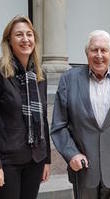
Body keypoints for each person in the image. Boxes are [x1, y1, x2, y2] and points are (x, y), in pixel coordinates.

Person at [51, 30, 110, 199]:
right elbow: (59, 125)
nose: (99, 55)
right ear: (86, 53)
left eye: (104, 50)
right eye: (94, 50)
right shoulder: (68, 80)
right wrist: (72, 153)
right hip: (84, 168)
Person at [0, 15, 51, 199]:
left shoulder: (39, 75)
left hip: (35, 159)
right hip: (8, 162)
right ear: (9, 41)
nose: (25, 39)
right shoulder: (2, 73)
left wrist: (46, 159)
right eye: (19, 35)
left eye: (29, 34)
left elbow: (43, 118)